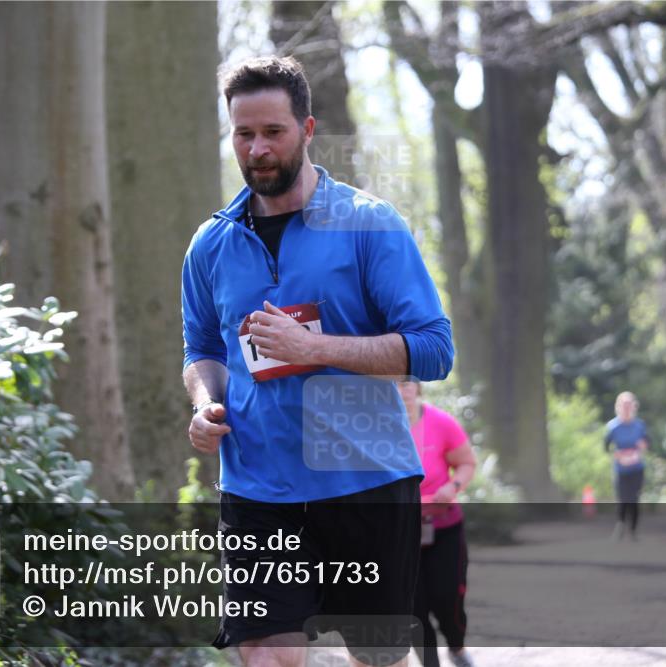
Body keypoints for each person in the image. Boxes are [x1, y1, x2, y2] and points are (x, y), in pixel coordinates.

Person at [181, 56, 454, 667]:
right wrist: (206, 404)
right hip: (257, 484)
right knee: (266, 654)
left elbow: (434, 349)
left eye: (273, 132)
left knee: (377, 658)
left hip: (365, 480)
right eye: (243, 133)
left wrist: (317, 350)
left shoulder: (369, 226)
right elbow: (202, 348)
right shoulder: (210, 245)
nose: (257, 148)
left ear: (307, 130)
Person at [398, 381, 476, 667]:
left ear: (417, 387)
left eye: (406, 382)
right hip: (401, 533)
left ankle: (457, 647)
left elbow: (467, 463)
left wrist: (453, 486)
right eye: (392, 383)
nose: (400, 389)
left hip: (444, 527)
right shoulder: (376, 426)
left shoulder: (441, 422)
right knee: (413, 608)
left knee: (448, 598)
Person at [604, 391, 649, 541]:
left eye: (629, 405)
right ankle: (621, 525)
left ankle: (633, 530)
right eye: (624, 405)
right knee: (623, 498)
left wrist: (642, 447)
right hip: (621, 468)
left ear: (634, 407)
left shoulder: (639, 425)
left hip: (637, 468)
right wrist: (617, 454)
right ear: (618, 407)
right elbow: (606, 447)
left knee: (634, 499)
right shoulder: (613, 427)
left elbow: (647, 443)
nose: (627, 408)